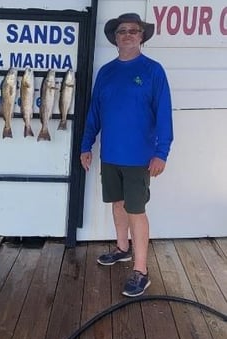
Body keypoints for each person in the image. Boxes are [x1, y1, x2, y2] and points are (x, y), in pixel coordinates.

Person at [80, 13, 173, 297]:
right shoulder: (105, 72)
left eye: (134, 30)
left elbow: (164, 114)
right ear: (115, 37)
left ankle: (141, 270)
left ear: (142, 36)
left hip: (139, 158)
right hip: (110, 155)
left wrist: (162, 152)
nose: (129, 34)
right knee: (117, 204)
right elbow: (94, 112)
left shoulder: (153, 70)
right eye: (123, 31)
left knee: (136, 210)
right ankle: (122, 249)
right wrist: (86, 145)